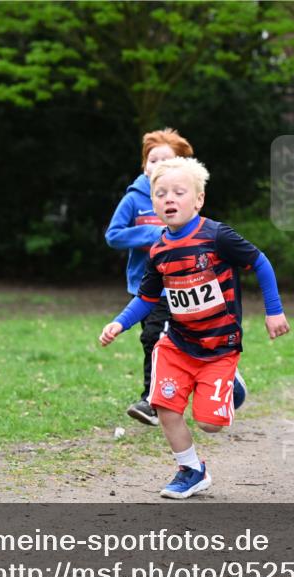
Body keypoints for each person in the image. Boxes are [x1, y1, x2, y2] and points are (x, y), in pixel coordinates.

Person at [99, 157, 290, 499]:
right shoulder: (158, 250)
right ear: (153, 203)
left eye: (178, 192)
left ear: (198, 200)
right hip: (178, 344)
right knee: (165, 406)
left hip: (219, 346)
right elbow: (146, 298)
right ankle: (191, 469)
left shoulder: (217, 236)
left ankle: (232, 383)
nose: (169, 199)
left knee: (210, 424)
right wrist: (119, 322)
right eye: (160, 194)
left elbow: (259, 262)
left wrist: (274, 311)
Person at [105, 128, 195, 426]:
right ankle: (154, 401)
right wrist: (153, 234)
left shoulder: (185, 197)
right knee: (154, 338)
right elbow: (114, 235)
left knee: (183, 340)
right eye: (152, 160)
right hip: (148, 287)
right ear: (144, 165)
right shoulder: (134, 199)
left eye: (165, 160)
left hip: (185, 285)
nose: (156, 165)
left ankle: (217, 378)